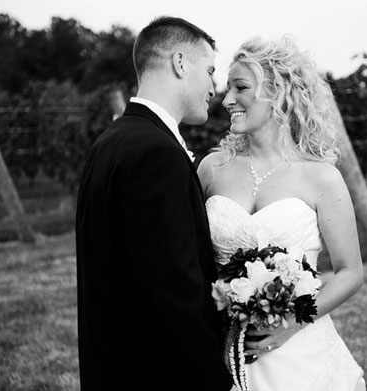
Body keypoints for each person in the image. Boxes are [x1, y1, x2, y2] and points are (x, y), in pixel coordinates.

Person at [197, 36, 365, 391]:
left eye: (240, 87)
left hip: (302, 354)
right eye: (227, 89)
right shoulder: (211, 169)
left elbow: (350, 272)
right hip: (224, 351)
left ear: (280, 92)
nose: (227, 100)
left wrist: (292, 325)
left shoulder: (321, 177)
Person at [75, 17, 231, 390]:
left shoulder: (109, 143)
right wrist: (215, 380)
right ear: (180, 63)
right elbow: (173, 290)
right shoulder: (156, 153)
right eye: (209, 71)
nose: (214, 86)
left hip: (113, 367)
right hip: (157, 374)